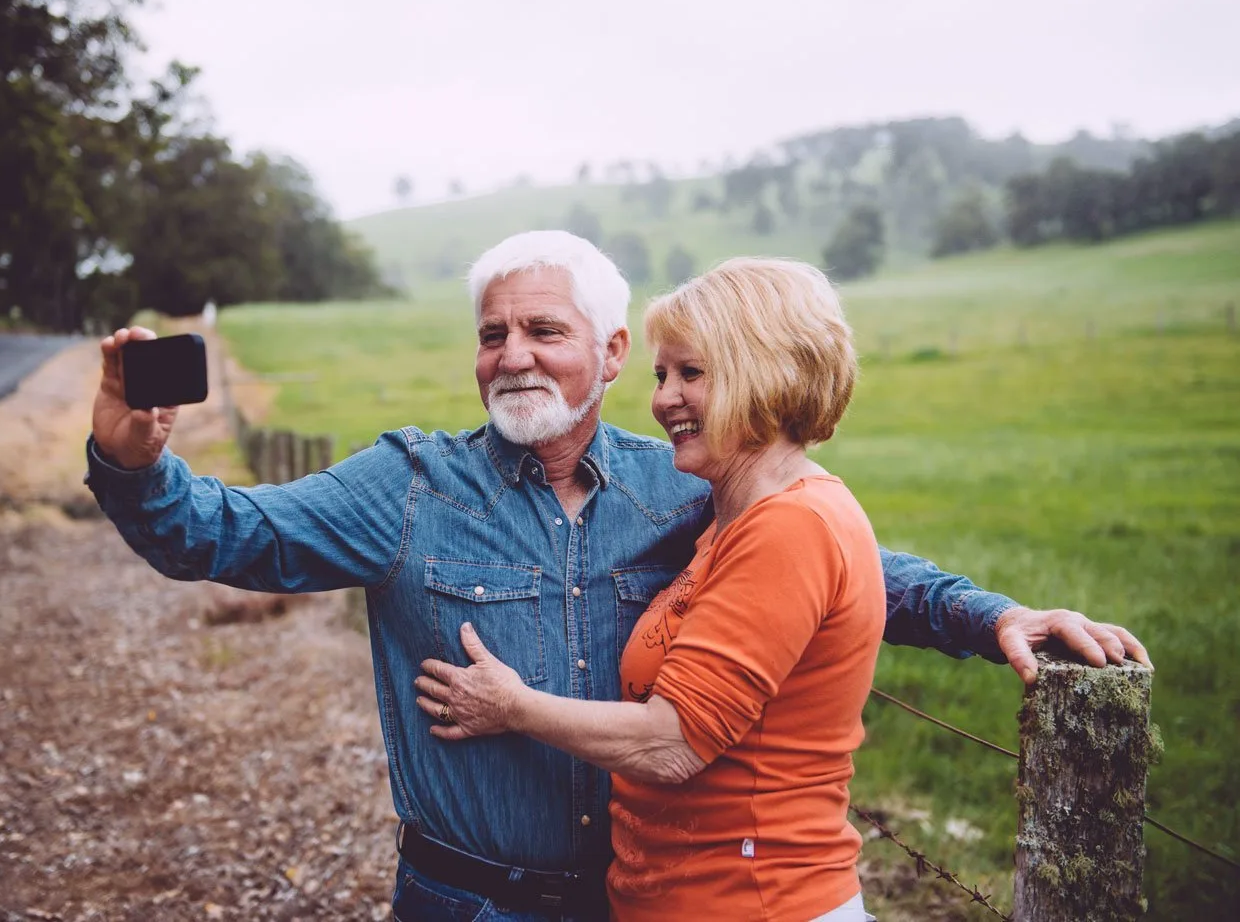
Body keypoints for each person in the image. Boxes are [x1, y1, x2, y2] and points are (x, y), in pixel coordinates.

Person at [85, 231, 1148, 921]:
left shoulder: (683, 485)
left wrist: (991, 613)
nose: (512, 356)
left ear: (608, 350)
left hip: (625, 898)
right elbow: (218, 536)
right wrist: (136, 458)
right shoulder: (406, 485)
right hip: (464, 899)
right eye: (491, 334)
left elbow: (844, 565)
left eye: (543, 331)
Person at [415, 258, 884, 920]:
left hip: (754, 900)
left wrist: (512, 706)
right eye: (663, 375)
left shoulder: (790, 526)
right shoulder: (732, 519)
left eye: (691, 373)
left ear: (766, 374)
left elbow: (672, 744)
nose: (663, 398)